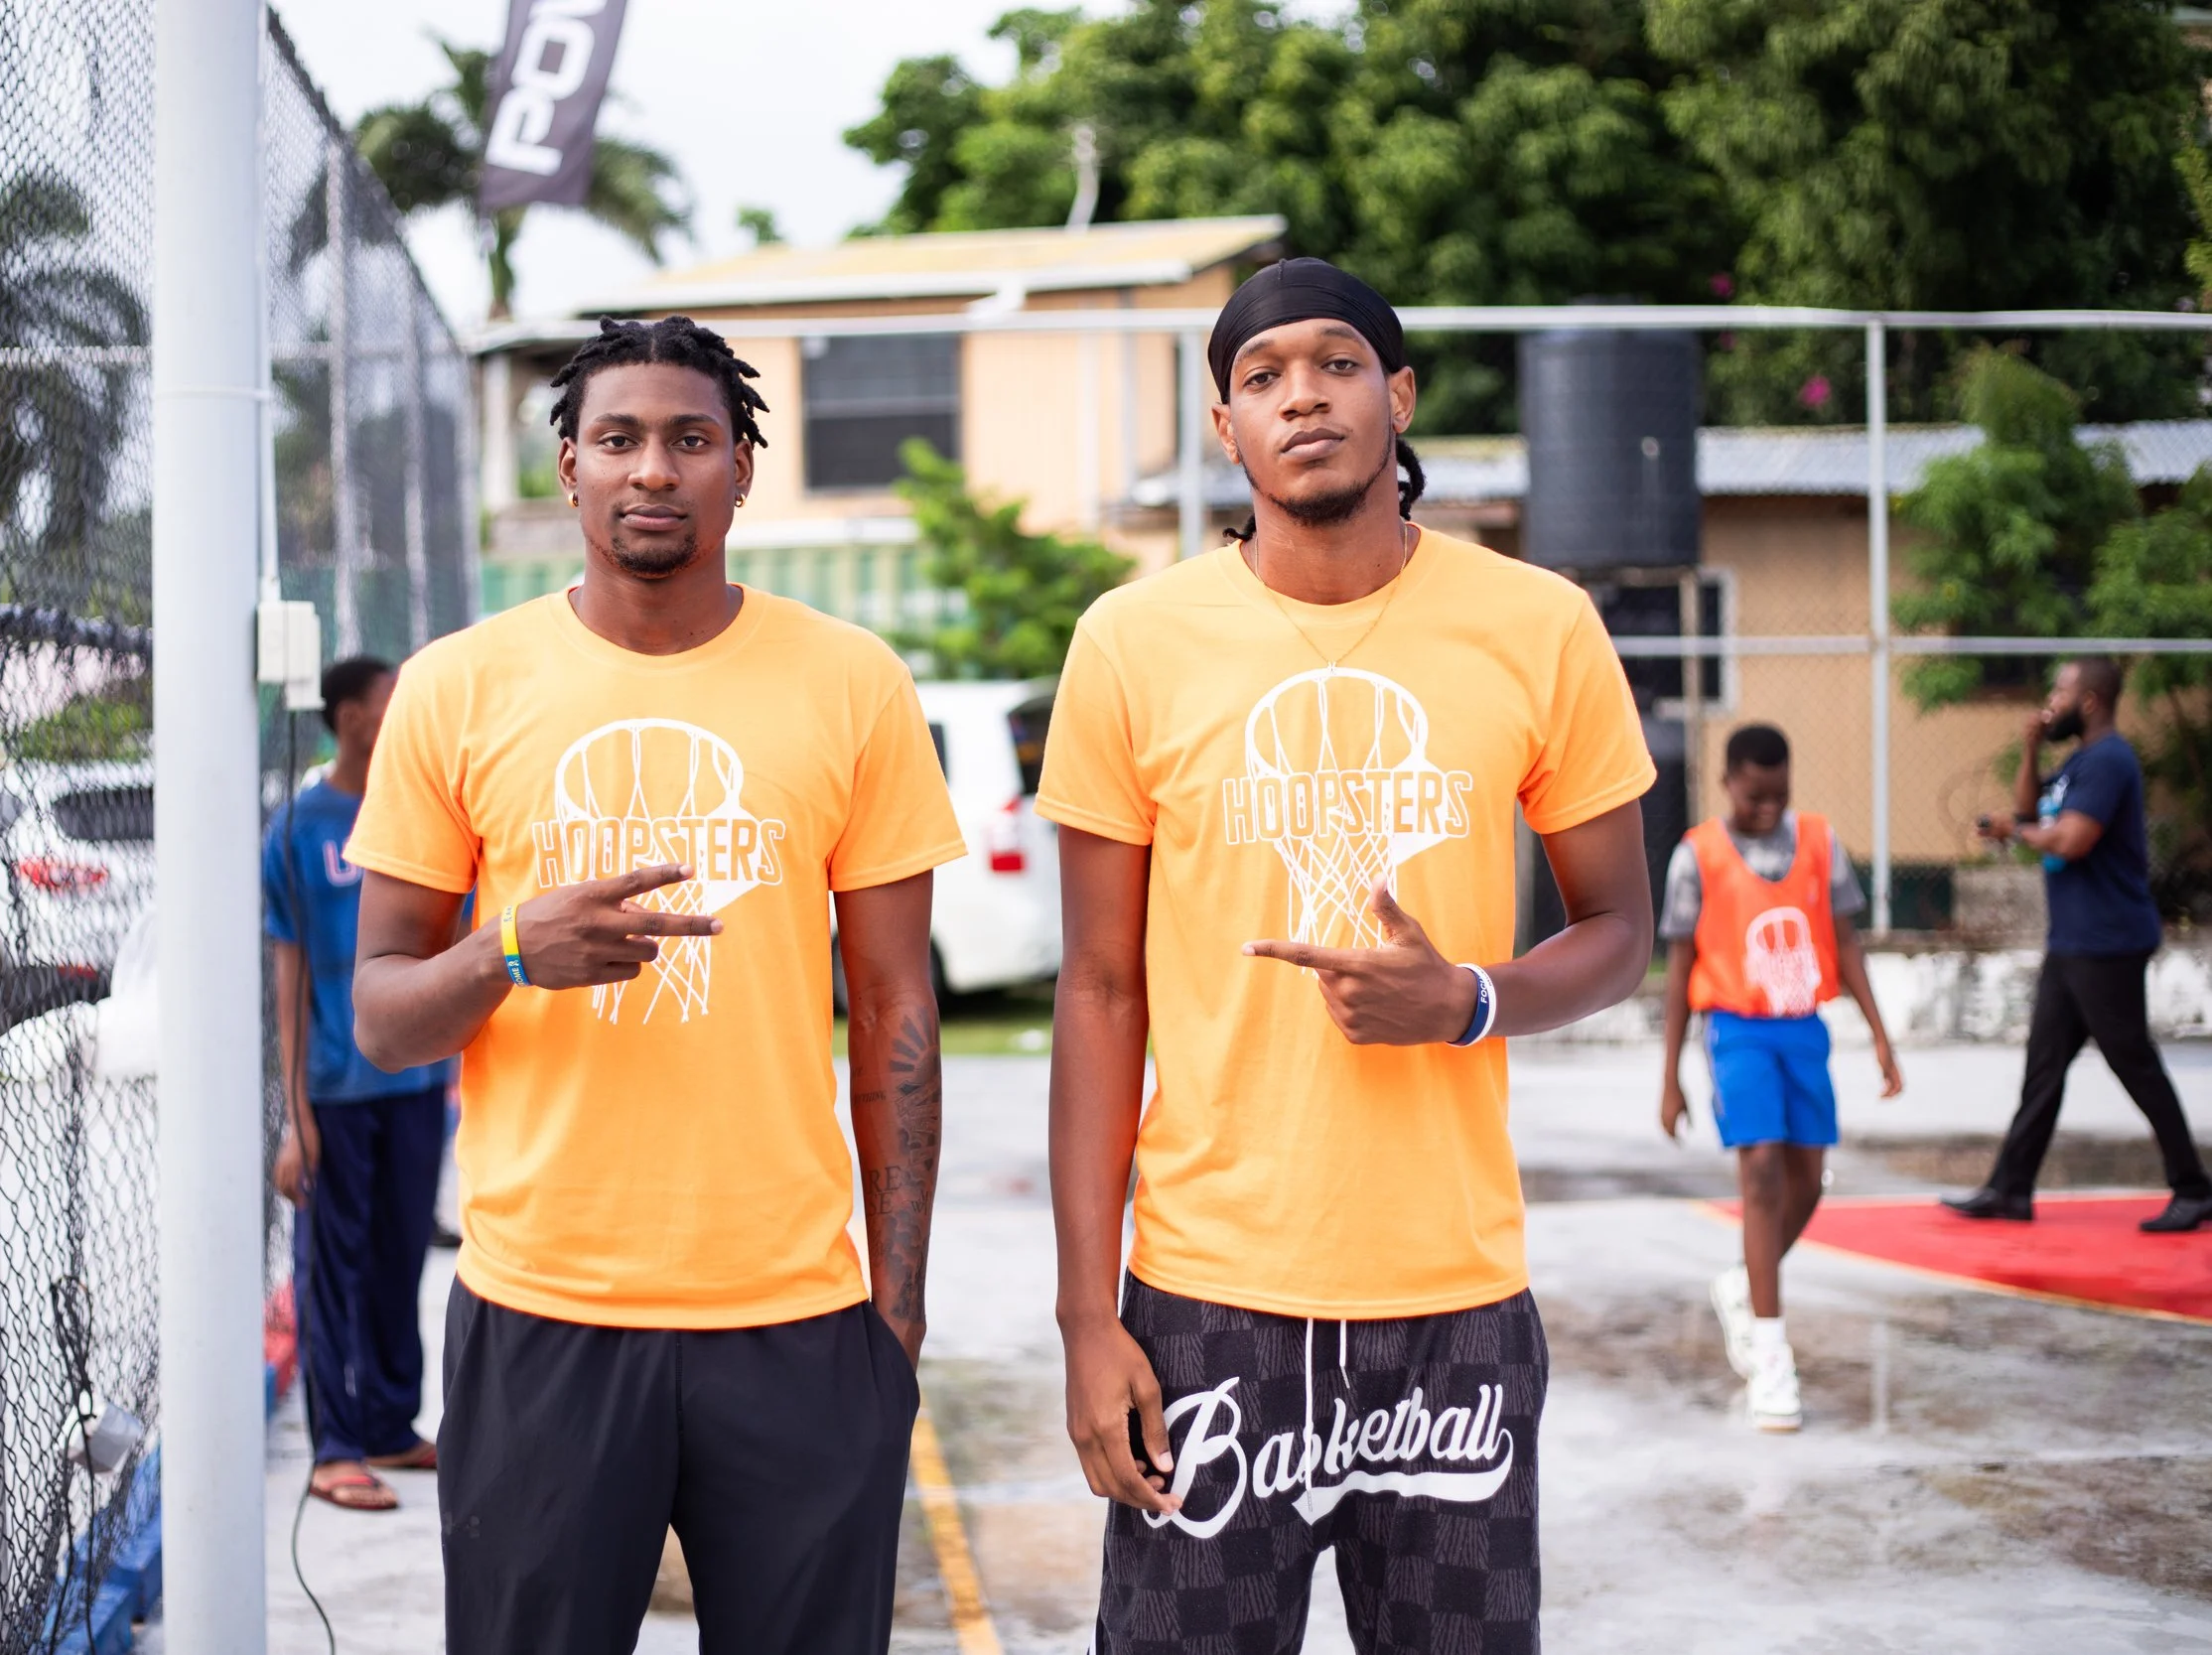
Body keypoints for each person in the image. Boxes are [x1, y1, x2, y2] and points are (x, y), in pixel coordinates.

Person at [1041, 258, 1657, 1654]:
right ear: (1225, 427)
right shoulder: (1133, 642)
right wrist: (1089, 1313)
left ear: (1401, 392)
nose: (1300, 395)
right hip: (1208, 1303)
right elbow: (1099, 987)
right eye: (1260, 376)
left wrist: (1471, 998)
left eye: (1332, 361)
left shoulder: (1537, 624)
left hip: (1454, 1305)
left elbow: (1620, 928)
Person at [344, 316, 964, 1654]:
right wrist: (512, 949)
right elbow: (383, 1014)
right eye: (618, 439)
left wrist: (894, 1319)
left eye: (692, 439)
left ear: (743, 469)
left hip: (797, 1317)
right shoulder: (457, 689)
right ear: (567, 470)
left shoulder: (852, 683)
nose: (653, 470)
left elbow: (898, 1014)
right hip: (544, 1311)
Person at [1657, 723, 1903, 1434]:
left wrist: (1882, 1037)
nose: (1768, 806)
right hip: (1735, 1029)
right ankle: (1771, 1353)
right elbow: (1676, 970)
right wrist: (1670, 1074)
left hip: (1804, 1029)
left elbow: (1849, 944)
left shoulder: (1821, 844)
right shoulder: (1695, 855)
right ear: (1729, 781)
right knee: (1760, 1169)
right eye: (1755, 794)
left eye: (1780, 793)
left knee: (1806, 1181)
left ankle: (1741, 1283)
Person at [264, 653, 454, 1512]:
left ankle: (388, 1420)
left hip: (413, 1086)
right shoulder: (300, 828)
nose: (403, 710)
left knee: (399, 1256)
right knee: (330, 1267)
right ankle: (335, 1446)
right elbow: (290, 975)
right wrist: (293, 1113)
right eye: (390, 700)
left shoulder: (420, 805)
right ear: (349, 717)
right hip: (336, 1093)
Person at [1947, 657, 2211, 1233]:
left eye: (2060, 690)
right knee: (2043, 1069)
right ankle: (2010, 1190)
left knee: (2134, 1063)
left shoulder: (2111, 761)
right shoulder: (2077, 763)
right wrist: (2030, 748)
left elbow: (2069, 840)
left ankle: (2193, 1189)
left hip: (2107, 941)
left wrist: (2014, 832)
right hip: (2072, 941)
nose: (2050, 699)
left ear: (2088, 701)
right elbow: (2027, 811)